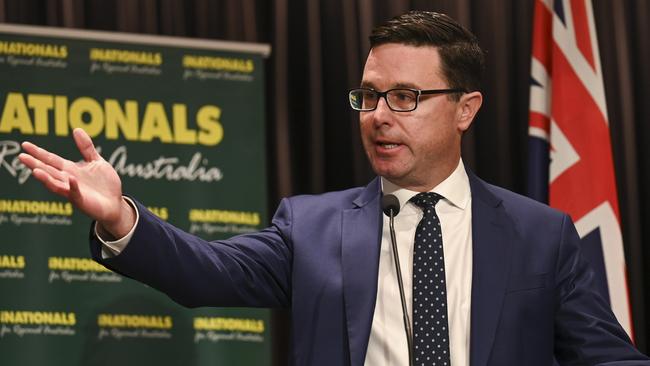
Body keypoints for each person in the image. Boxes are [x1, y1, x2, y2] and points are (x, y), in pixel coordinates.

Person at [18, 10, 650, 366]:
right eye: (369, 95)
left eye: (405, 97)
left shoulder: (541, 234)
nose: (378, 114)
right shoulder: (312, 227)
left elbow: (609, 361)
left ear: (466, 108)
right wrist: (121, 219)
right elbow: (203, 273)